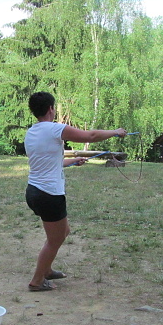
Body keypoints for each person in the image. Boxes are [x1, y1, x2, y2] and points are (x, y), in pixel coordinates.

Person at [24, 92, 126, 291]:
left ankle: (47, 269)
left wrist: (72, 161)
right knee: (55, 239)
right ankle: (37, 280)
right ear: (51, 108)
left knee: (63, 232)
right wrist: (115, 132)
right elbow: (90, 136)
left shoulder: (32, 132)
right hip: (49, 194)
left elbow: (48, 162)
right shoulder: (54, 129)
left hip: (34, 191)